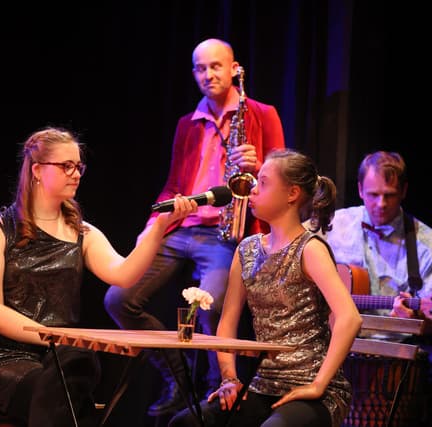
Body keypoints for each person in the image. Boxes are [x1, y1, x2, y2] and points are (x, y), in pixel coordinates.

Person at [0, 127, 197, 427]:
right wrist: (53, 339)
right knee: (64, 389)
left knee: (70, 371)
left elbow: (124, 275)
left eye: (78, 167)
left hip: (60, 359)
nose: (76, 174)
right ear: (36, 170)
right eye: (66, 166)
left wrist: (160, 227)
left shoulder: (82, 232)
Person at [103, 37, 285, 416]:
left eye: (215, 66)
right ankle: (176, 373)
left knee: (212, 307)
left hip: (225, 233)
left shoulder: (262, 113)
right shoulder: (187, 123)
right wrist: (153, 225)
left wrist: (258, 167)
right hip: (182, 227)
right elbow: (175, 183)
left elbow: (283, 178)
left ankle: (214, 397)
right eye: (201, 69)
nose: (208, 75)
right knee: (117, 299)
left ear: (234, 69)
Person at [169, 148, 362, 427]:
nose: (253, 190)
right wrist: (229, 379)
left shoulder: (310, 249)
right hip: (262, 385)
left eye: (264, 182)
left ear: (292, 194)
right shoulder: (247, 250)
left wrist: (319, 384)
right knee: (186, 423)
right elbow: (228, 322)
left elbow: (350, 318)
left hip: (312, 389)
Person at [319, 151, 432, 320]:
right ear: (360, 190)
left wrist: (416, 317)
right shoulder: (333, 225)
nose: (381, 204)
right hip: (335, 334)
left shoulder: (427, 244)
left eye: (390, 195)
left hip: (395, 337)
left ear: (403, 191)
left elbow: (428, 315)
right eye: (373, 194)